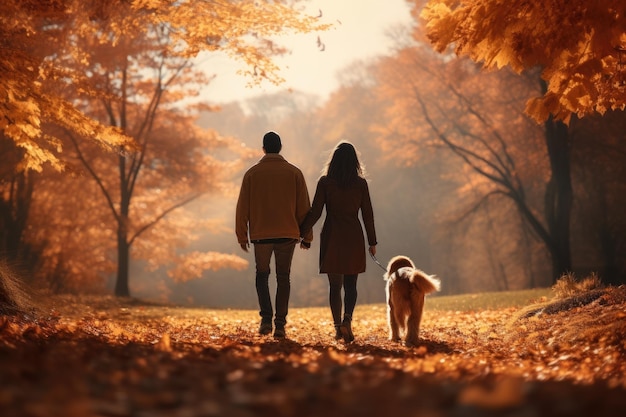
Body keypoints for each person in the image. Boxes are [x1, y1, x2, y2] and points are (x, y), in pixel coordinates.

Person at [236, 131, 313, 339]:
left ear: (263, 148)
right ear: (280, 148)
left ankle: (265, 320)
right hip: (287, 233)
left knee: (262, 276)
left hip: (261, 234)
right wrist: (307, 236)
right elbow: (304, 208)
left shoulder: (252, 174)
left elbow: (242, 207)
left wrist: (242, 235)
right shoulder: (294, 173)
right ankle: (280, 325)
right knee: (283, 278)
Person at [299, 141, 377, 343]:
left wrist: (302, 231)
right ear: (354, 162)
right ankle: (347, 320)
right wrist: (372, 241)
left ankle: (337, 327)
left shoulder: (325, 182)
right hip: (353, 235)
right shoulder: (360, 184)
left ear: (333, 160)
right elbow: (367, 214)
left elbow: (316, 211)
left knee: (335, 285)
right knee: (351, 284)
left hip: (332, 235)